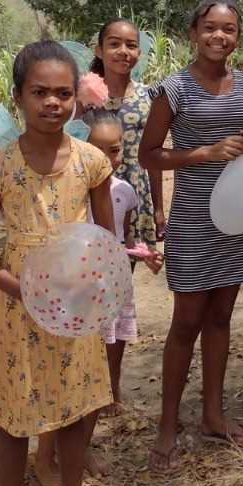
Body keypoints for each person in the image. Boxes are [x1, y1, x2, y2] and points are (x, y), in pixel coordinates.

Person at [0, 41, 115, 486]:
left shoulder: (92, 161)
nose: (52, 103)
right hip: (17, 310)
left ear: (76, 97)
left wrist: (88, 288)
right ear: (18, 97)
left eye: (63, 93)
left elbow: (105, 244)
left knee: (77, 412)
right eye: (40, 93)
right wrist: (21, 289)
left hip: (75, 310)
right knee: (15, 420)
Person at [140, 0, 243, 473]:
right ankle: (167, 427)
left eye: (229, 29)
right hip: (194, 219)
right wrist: (201, 153)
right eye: (211, 28)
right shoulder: (172, 90)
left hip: (236, 218)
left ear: (238, 37)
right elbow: (149, 154)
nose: (220, 36)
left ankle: (213, 416)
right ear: (193, 34)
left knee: (221, 319)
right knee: (186, 323)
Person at [84, 109, 164, 415]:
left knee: (114, 334)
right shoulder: (75, 192)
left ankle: (111, 385)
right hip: (83, 277)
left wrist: (144, 256)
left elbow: (124, 238)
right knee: (87, 335)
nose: (106, 158)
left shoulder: (126, 192)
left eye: (114, 150)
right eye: (96, 150)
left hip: (115, 276)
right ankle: (87, 390)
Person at [89, 18, 165, 247]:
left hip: (136, 194)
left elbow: (154, 157)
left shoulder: (149, 96)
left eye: (131, 45)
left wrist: (159, 208)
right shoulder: (85, 97)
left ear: (139, 52)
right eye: (114, 44)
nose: (123, 52)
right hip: (95, 194)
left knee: (125, 267)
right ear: (99, 51)